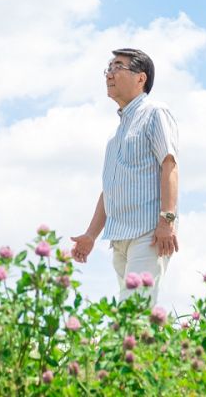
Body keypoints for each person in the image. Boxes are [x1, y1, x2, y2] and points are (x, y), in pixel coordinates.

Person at [71, 48, 180, 299]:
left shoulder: (155, 113)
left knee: (136, 311)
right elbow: (109, 189)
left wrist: (166, 221)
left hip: (149, 233)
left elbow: (169, 164)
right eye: (108, 69)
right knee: (128, 315)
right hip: (120, 238)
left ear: (141, 78)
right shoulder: (116, 135)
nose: (109, 74)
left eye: (117, 67)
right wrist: (90, 235)